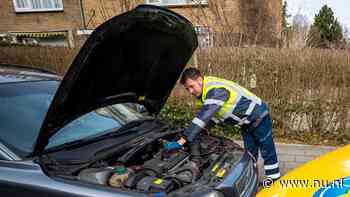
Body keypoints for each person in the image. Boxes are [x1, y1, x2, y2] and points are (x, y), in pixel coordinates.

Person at [164, 67, 280, 181]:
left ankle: (275, 182)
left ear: (199, 80)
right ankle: (252, 181)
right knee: (250, 155)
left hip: (259, 117)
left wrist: (182, 140)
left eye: (191, 86)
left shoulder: (215, 90)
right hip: (246, 123)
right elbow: (212, 117)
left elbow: (203, 117)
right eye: (187, 89)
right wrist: (201, 131)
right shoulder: (205, 95)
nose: (190, 91)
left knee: (267, 152)